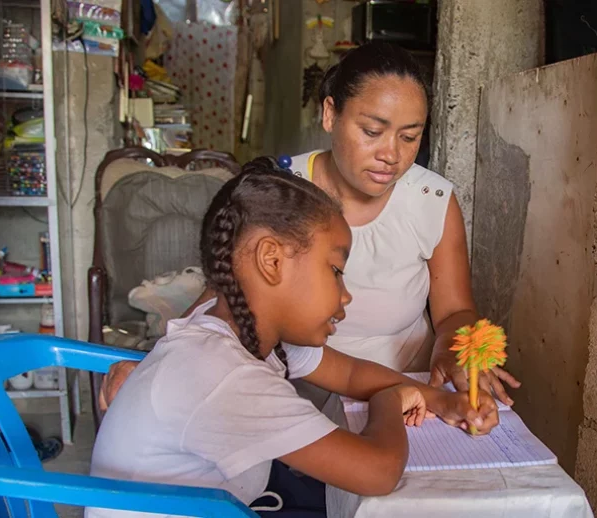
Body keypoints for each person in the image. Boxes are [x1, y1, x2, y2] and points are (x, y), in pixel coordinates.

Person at [100, 42, 520, 409]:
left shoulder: (433, 201)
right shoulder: (281, 192)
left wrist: (452, 350)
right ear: (330, 113)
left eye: (410, 137)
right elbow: (223, 296)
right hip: (289, 388)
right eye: (372, 131)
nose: (391, 154)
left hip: (404, 388)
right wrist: (153, 364)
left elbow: (456, 310)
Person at [87, 157, 498, 518]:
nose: (346, 293)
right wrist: (391, 400)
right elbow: (378, 472)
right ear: (271, 261)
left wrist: (442, 401)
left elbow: (351, 374)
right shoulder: (225, 374)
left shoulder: (246, 333)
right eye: (335, 270)